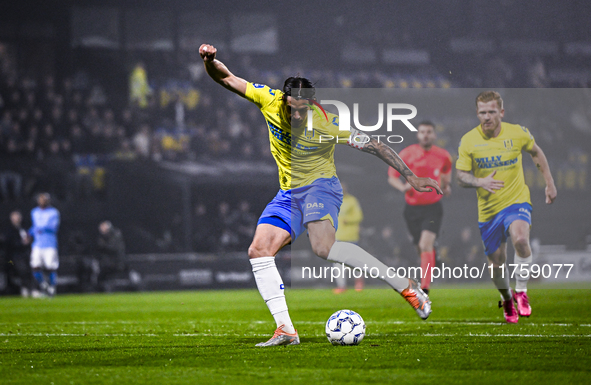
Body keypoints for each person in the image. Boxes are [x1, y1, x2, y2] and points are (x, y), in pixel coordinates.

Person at [199, 43, 442, 347]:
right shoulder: (269, 100)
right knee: (258, 251)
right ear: (283, 100)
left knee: (323, 249)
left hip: (320, 186)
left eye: (303, 109)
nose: (297, 115)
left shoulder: (326, 123)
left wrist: (411, 176)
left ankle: (405, 287)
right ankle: (286, 330)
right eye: (292, 109)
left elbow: (376, 145)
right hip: (288, 192)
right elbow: (226, 78)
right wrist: (210, 61)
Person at [456, 91, 557, 323]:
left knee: (521, 240)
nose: (487, 117)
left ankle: (522, 291)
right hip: (489, 210)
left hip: (516, 200)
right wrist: (479, 181)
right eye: (482, 112)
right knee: (496, 262)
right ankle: (508, 298)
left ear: (501, 112)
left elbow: (536, 152)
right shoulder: (469, 141)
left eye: (492, 111)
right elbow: (461, 176)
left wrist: (549, 183)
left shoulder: (518, 133)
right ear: (477, 113)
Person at [387, 121, 452, 295]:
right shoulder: (407, 154)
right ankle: (433, 256)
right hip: (412, 209)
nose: (425, 135)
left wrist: (446, 185)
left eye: (429, 132)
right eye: (422, 132)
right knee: (420, 247)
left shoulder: (443, 155)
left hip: (433, 207)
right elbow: (392, 176)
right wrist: (402, 188)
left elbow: (446, 170)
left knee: (425, 245)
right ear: (418, 134)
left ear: (434, 135)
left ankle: (425, 288)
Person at [332, 182, 365, 294]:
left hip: (350, 236)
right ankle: (341, 286)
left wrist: (347, 219)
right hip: (337, 236)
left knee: (353, 261)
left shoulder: (352, 201)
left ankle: (358, 282)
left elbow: (359, 216)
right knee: (337, 262)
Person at [28, 193, 61, 297]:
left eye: (44, 200)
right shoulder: (34, 212)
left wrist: (40, 228)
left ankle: (52, 287)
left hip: (49, 243)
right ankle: (43, 285)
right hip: (37, 244)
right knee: (35, 266)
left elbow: (53, 227)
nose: (42, 201)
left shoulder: (54, 212)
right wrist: (29, 234)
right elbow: (34, 227)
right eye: (41, 199)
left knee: (50, 267)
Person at [3, 210, 31, 296]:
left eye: (18, 217)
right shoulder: (9, 230)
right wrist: (21, 243)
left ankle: (30, 288)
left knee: (28, 271)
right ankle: (25, 288)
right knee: (22, 270)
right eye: (14, 218)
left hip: (25, 254)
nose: (16, 219)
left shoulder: (23, 228)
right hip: (14, 256)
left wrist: (28, 241)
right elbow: (10, 242)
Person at [97, 220, 126, 290]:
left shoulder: (115, 235)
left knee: (112, 279)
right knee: (101, 279)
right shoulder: (102, 237)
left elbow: (113, 248)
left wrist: (103, 245)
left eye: (103, 228)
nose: (101, 230)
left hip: (115, 263)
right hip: (106, 264)